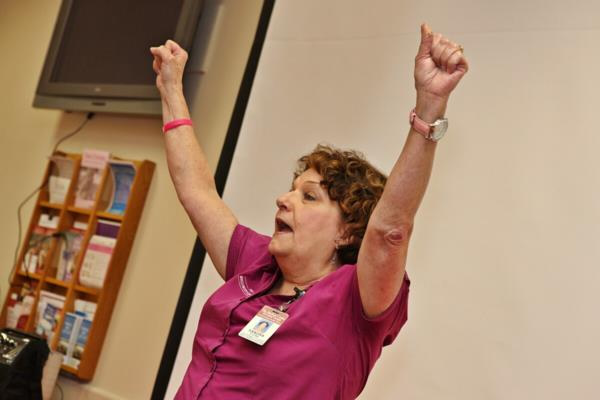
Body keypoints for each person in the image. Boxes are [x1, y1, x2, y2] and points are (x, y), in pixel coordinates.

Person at [150, 23, 468, 399]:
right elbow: (196, 191)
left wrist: (429, 111)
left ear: (347, 232)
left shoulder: (354, 301)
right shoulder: (258, 265)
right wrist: (171, 88)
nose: (284, 200)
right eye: (292, 191)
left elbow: (389, 230)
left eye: (309, 197)